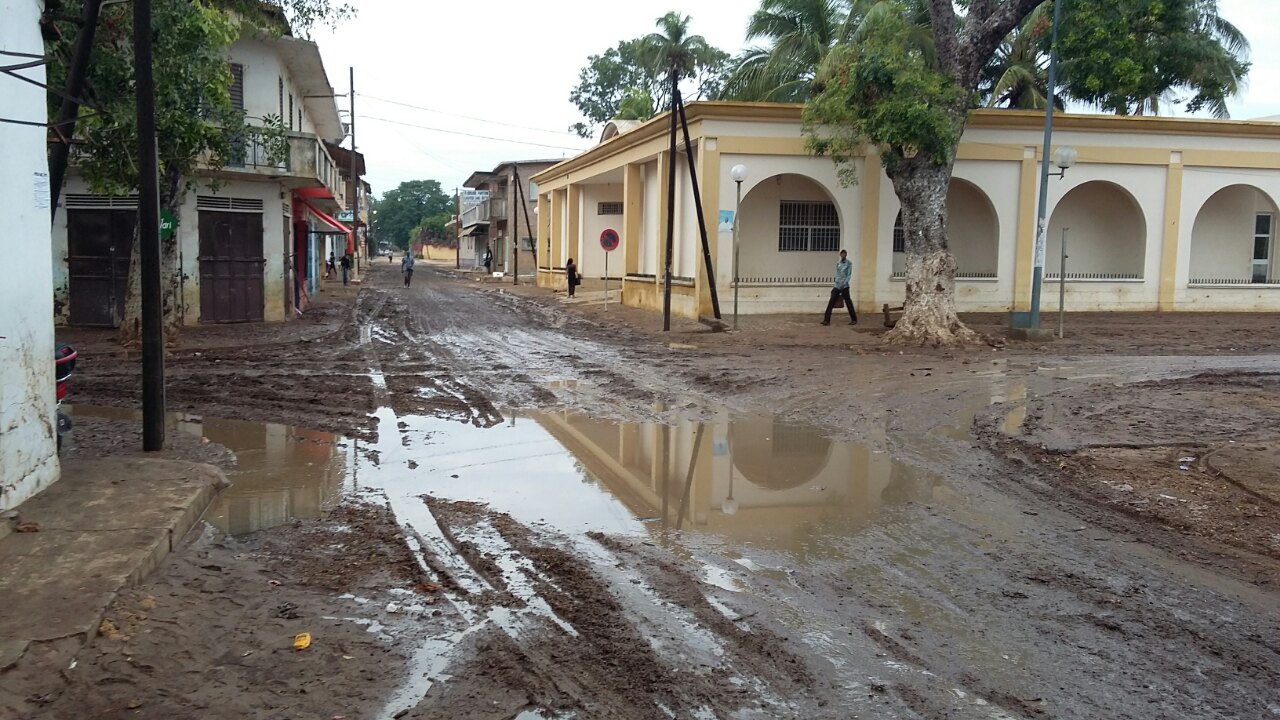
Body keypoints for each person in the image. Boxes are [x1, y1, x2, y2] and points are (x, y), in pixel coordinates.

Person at [821, 249, 857, 326]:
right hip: (837, 285)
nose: (843, 255)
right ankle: (826, 320)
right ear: (840, 255)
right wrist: (836, 283)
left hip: (844, 286)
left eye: (845, 254)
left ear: (846, 255)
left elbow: (849, 274)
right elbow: (837, 273)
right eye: (842, 254)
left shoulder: (849, 263)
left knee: (848, 302)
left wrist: (845, 283)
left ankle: (854, 319)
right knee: (831, 302)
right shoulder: (838, 263)